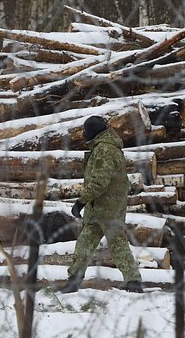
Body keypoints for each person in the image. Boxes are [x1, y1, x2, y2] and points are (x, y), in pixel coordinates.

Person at [60, 115, 143, 293]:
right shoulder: (105, 148)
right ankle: (74, 280)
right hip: (101, 207)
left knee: (116, 243)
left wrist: (81, 201)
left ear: (93, 131)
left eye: (85, 130)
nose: (83, 134)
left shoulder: (104, 150)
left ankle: (134, 281)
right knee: (85, 243)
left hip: (107, 207)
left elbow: (99, 182)